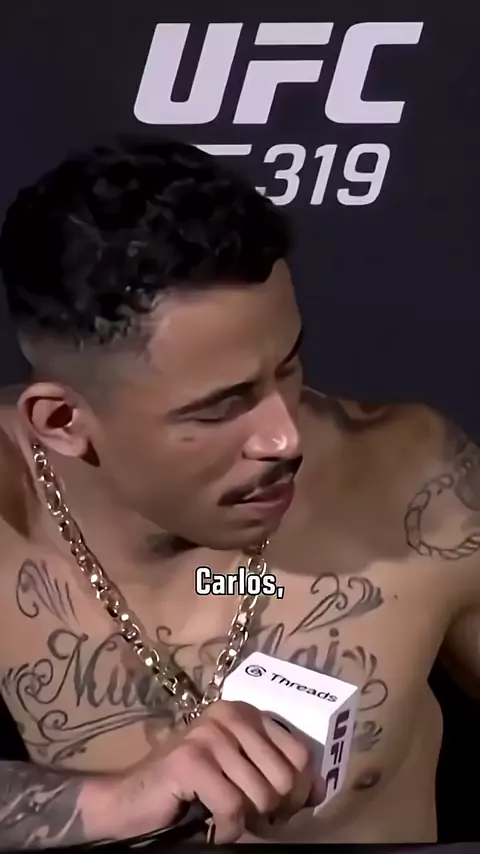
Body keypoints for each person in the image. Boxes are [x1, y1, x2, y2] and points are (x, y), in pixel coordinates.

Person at [0, 137, 478, 847]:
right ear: (64, 422)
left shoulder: (411, 482)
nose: (285, 437)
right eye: (221, 406)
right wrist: (115, 802)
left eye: (287, 367)